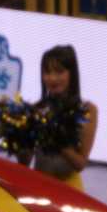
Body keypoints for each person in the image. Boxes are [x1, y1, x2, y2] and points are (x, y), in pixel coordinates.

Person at [24, 45, 98, 191]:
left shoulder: (87, 110)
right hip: (38, 188)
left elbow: (80, 164)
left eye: (59, 72)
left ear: (72, 74)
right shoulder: (36, 110)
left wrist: (56, 140)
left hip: (69, 191)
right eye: (47, 72)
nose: (52, 78)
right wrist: (19, 139)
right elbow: (24, 162)